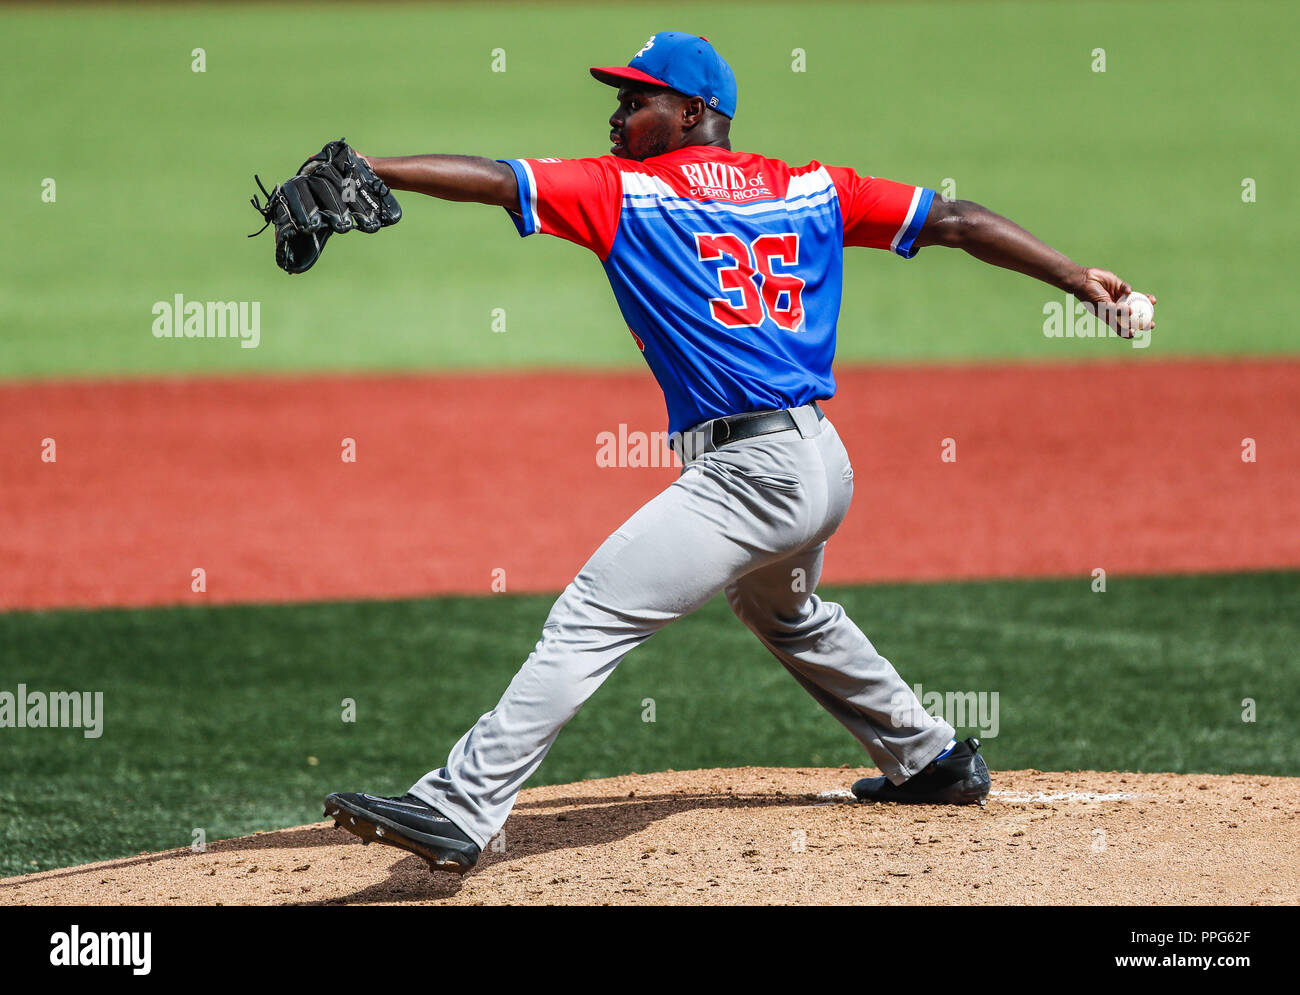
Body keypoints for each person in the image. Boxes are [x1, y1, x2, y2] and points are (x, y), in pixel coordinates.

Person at [324, 31, 1154, 875]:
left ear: (690, 113)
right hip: (821, 464)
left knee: (592, 614)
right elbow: (953, 219)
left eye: (635, 100)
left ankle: (458, 806)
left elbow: (500, 177)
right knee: (784, 610)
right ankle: (931, 756)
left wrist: (374, 165)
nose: (617, 115)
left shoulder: (625, 193)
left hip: (748, 477)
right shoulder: (810, 187)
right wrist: (1073, 275)